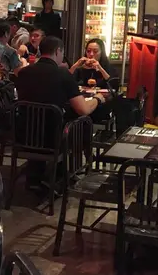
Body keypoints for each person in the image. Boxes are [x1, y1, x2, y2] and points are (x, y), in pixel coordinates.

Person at [16, 36, 107, 185]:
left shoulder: (24, 72)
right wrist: (98, 99)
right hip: (53, 139)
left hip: (23, 134)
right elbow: (83, 109)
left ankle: (37, 175)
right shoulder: (63, 74)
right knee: (82, 122)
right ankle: (66, 174)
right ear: (58, 51)